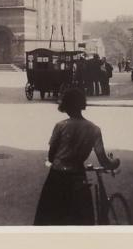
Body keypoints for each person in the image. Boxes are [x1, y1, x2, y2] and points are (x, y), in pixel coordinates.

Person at [34, 88, 120, 225]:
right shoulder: (94, 129)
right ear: (81, 105)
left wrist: (54, 159)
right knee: (82, 220)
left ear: (65, 107)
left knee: (49, 218)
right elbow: (103, 160)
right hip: (78, 176)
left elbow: (51, 156)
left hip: (57, 177)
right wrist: (115, 162)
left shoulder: (60, 126)